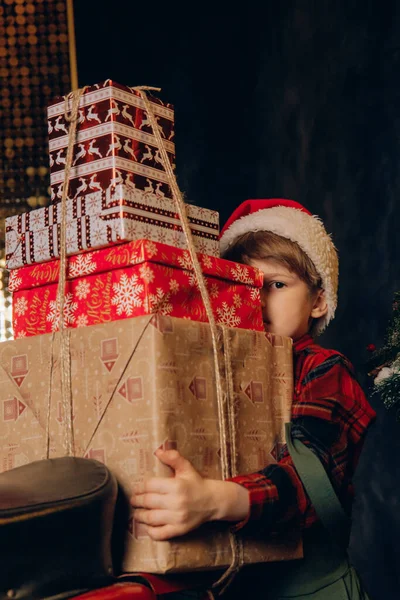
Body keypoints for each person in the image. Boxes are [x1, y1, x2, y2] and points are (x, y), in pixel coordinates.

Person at [131, 199, 376, 598]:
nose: (257, 301)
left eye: (277, 285)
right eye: (241, 285)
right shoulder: (209, 366)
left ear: (318, 301)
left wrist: (213, 499)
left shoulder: (324, 370)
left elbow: (310, 485)